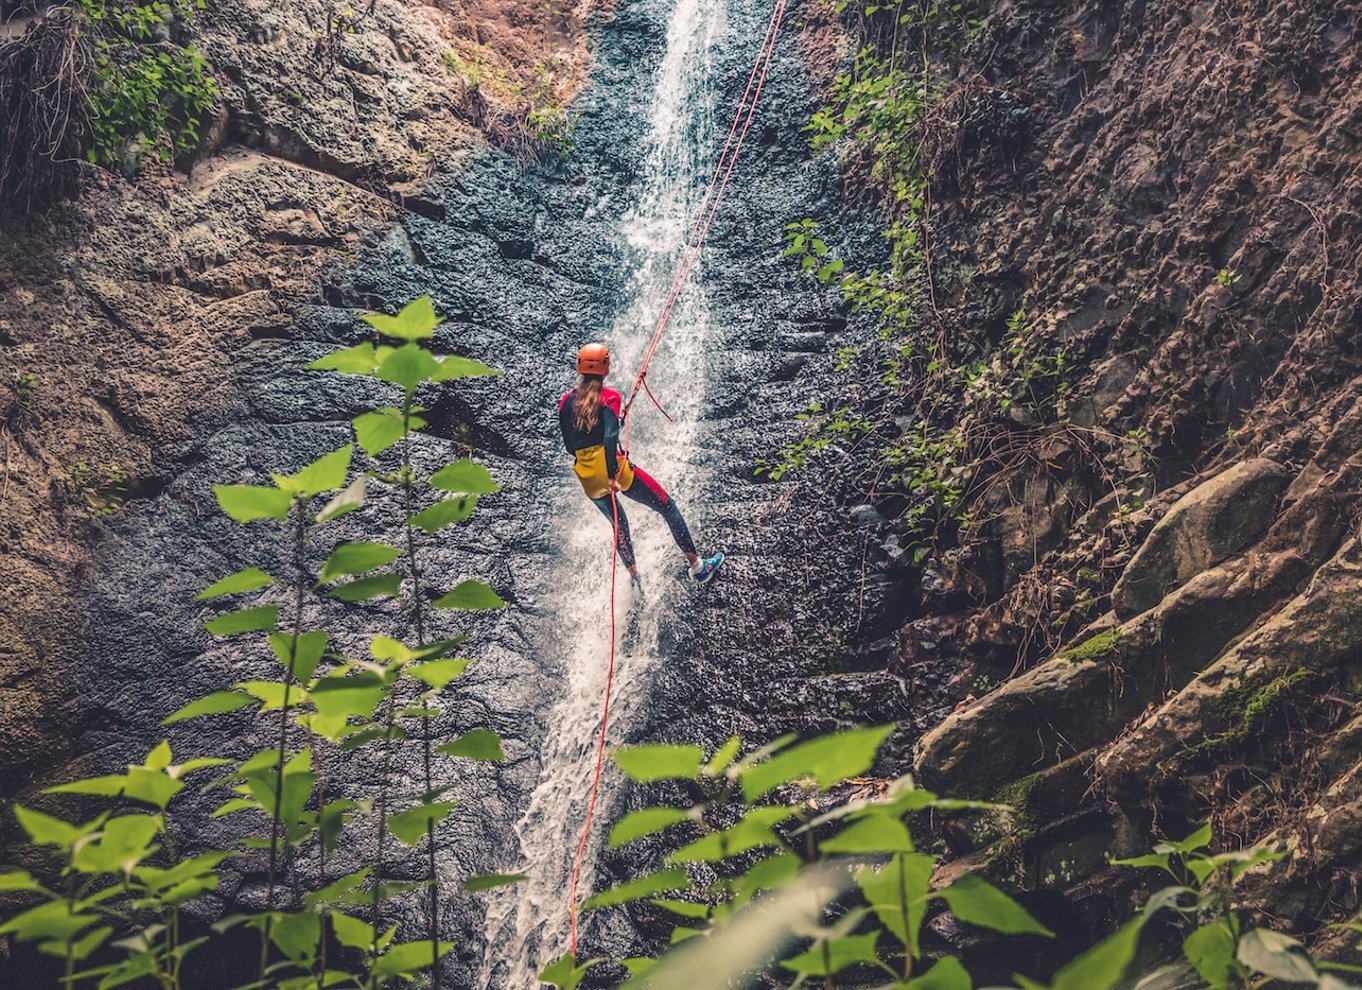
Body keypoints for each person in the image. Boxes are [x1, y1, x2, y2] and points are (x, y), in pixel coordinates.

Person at [558, 342, 724, 586]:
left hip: (587, 476)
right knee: (667, 506)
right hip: (614, 470)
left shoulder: (565, 401)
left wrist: (608, 433)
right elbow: (608, 437)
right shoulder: (610, 398)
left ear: (579, 367)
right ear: (605, 367)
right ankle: (698, 567)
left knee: (619, 525)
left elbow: (570, 446)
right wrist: (613, 474)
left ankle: (635, 579)